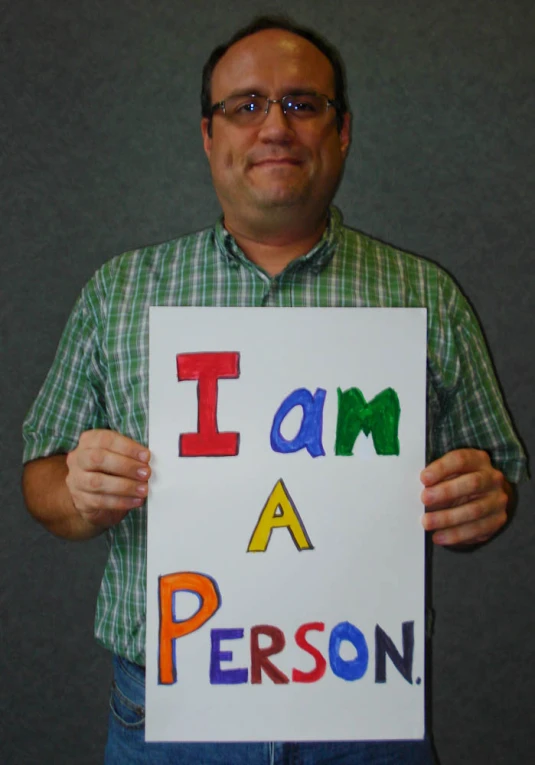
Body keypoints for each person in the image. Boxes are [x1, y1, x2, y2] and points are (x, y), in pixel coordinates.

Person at [22, 14, 527, 765]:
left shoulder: (424, 296)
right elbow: (41, 478)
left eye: (301, 103)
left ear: (342, 130)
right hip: (166, 711)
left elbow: (498, 477)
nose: (275, 127)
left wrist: (484, 499)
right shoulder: (119, 291)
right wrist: (77, 489)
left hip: (363, 712)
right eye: (246, 104)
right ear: (207, 135)